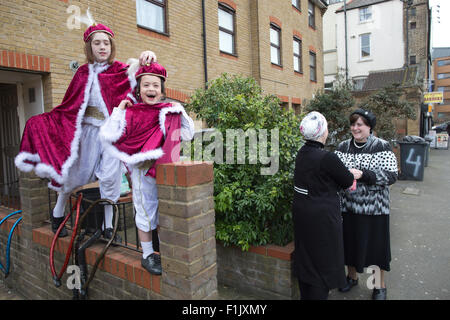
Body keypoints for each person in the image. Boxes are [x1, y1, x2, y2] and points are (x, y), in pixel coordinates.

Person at [15, 22, 157, 239]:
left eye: (106, 43)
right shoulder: (82, 73)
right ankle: (58, 213)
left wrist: (147, 54)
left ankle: (109, 227)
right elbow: (68, 107)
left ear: (112, 46)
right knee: (73, 174)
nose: (102, 47)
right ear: (89, 47)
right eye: (97, 43)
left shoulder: (120, 69)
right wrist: (42, 122)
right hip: (86, 133)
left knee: (110, 178)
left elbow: (145, 72)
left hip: (110, 133)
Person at [99, 61, 194, 275]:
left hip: (165, 170)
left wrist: (181, 110)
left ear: (162, 90)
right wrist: (119, 109)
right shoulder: (132, 113)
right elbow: (110, 136)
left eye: (155, 85)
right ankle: (147, 255)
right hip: (142, 171)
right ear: (139, 89)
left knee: (163, 212)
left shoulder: (169, 111)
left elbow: (187, 135)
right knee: (145, 211)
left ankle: (162, 251)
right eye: (146, 85)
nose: (151, 89)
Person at [335, 108, 398, 300]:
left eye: (359, 124)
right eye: (353, 124)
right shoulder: (343, 146)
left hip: (374, 209)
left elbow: (392, 175)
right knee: (349, 245)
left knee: (375, 249)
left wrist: (364, 175)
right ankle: (351, 277)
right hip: (348, 207)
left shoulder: (381, 146)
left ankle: (378, 286)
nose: (355, 128)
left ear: (369, 127)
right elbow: (335, 172)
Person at [292, 111, 355, 300]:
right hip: (322, 220)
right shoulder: (327, 158)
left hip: (302, 214)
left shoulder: (301, 153)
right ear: (322, 132)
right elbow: (347, 180)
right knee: (322, 265)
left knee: (306, 260)